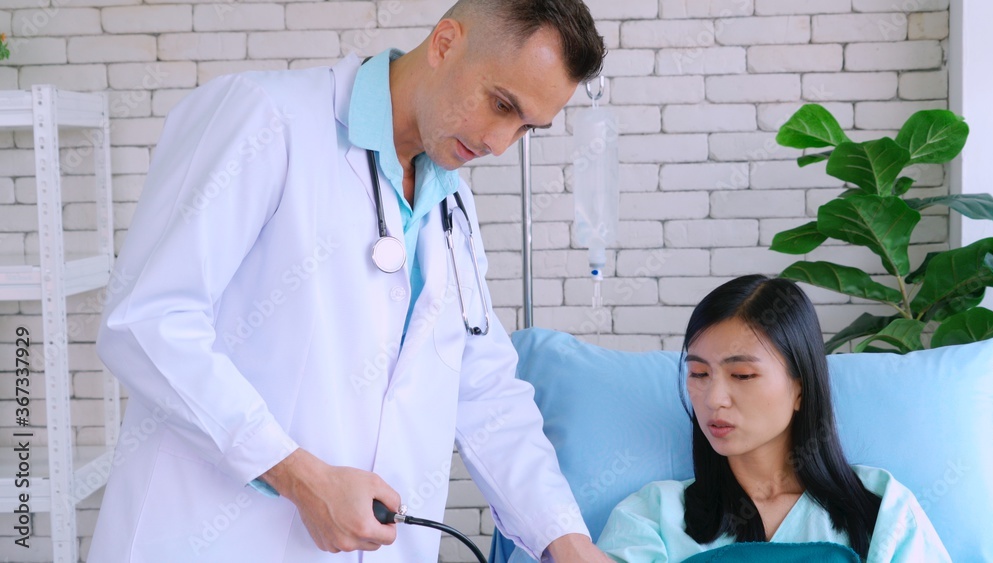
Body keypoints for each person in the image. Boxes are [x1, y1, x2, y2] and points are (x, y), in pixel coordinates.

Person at [89, 1, 611, 561]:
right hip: (215, 538)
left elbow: (484, 389)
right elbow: (148, 321)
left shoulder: (451, 203)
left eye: (525, 127)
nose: (500, 142)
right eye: (501, 104)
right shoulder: (267, 118)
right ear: (444, 43)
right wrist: (297, 475)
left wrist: (567, 542)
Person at [596, 275, 950, 562]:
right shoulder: (653, 516)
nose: (713, 400)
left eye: (743, 375)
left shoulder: (880, 506)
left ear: (800, 387)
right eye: (699, 374)